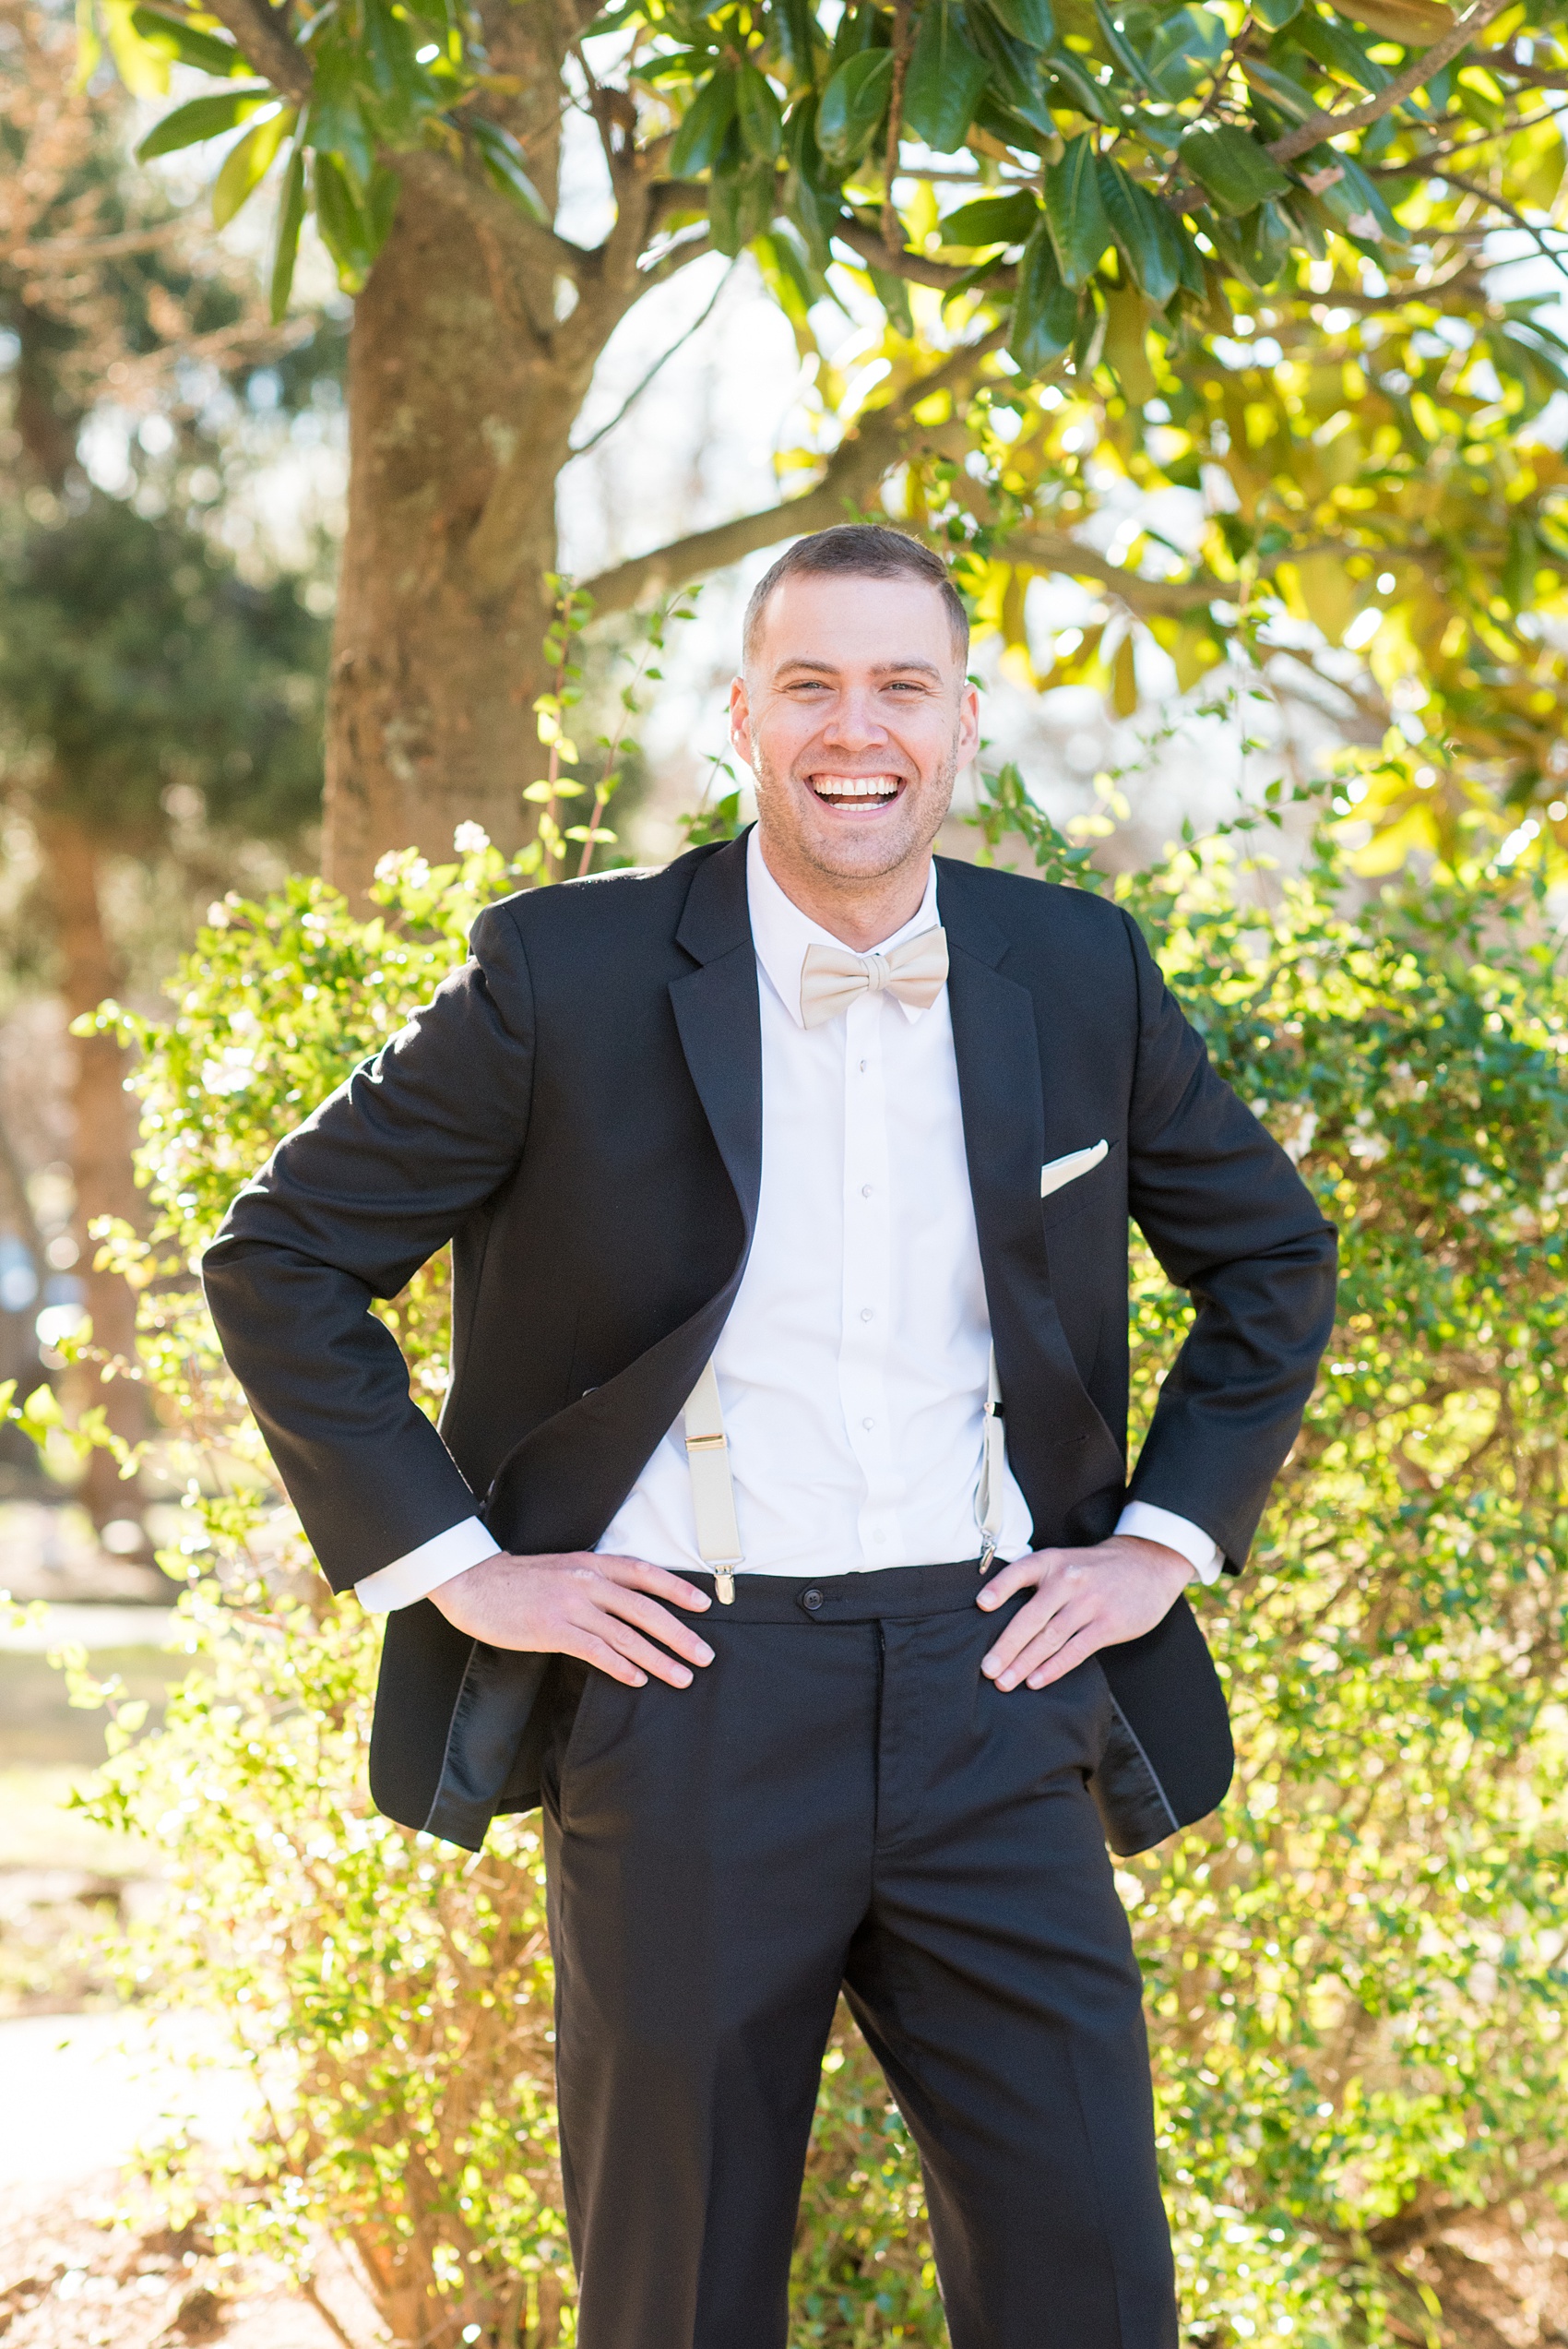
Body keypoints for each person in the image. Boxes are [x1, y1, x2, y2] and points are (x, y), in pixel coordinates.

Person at [203, 523, 1336, 2349]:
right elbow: (280, 1259)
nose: (854, 727)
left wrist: (1159, 1545)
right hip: (687, 1700)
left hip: (995, 1684)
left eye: (900, 685)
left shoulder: (1076, 968)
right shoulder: (559, 976)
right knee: (679, 2296)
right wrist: (467, 1575)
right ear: (742, 718)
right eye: (807, 683)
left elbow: (1269, 1258)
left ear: (963, 725)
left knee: (1090, 2282)